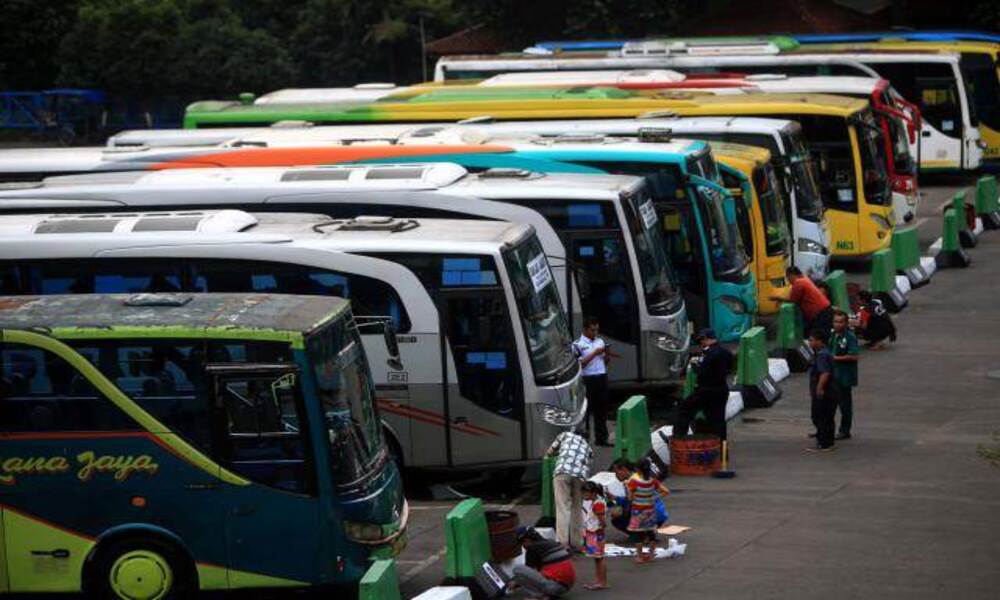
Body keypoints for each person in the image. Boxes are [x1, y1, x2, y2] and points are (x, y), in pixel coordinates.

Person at [672, 328, 734, 441]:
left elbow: (702, 371)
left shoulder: (709, 353)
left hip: (706, 391)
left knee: (684, 410)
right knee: (718, 421)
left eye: (701, 340)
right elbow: (730, 369)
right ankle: (721, 448)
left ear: (706, 339)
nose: (701, 343)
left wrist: (695, 366)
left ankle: (678, 439)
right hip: (721, 390)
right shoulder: (726, 352)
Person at [545, 429, 593, 549]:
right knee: (577, 509)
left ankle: (563, 543)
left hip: (562, 473)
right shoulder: (588, 448)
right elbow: (587, 465)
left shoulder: (565, 435)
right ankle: (578, 543)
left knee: (563, 508)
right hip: (580, 477)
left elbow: (550, 452)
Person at [572, 317, 615, 446]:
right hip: (587, 378)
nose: (595, 333)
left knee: (601, 409)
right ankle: (584, 439)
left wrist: (606, 354)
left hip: (601, 376)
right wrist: (594, 353)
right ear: (585, 329)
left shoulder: (600, 341)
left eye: (597, 330)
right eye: (592, 330)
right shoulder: (577, 344)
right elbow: (579, 364)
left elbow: (605, 362)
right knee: (586, 410)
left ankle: (601, 438)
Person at [626, 458, 670, 564]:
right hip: (650, 510)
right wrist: (655, 498)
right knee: (651, 532)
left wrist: (628, 488)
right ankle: (651, 555)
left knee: (638, 535)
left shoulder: (634, 481)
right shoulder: (653, 481)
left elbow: (630, 498)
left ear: (638, 470)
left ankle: (640, 557)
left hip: (638, 511)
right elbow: (666, 491)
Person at [512, 528, 575, 598]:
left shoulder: (532, 548)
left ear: (527, 540)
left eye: (522, 544)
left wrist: (515, 583)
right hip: (566, 587)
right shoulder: (551, 542)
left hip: (554, 587)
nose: (523, 547)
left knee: (517, 569)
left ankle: (538, 596)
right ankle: (546, 594)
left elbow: (527, 572)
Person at [771, 266, 833, 335]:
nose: (788, 280)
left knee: (819, 337)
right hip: (824, 310)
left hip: (820, 313)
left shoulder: (798, 282)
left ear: (791, 275)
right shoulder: (805, 279)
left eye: (787, 277)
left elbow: (793, 300)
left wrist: (778, 298)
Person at [806, 329, 839, 452]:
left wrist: (819, 388)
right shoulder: (823, 353)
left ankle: (824, 442)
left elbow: (824, 373)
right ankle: (827, 440)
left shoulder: (822, 355)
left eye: (811, 340)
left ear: (819, 341)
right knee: (827, 417)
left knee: (820, 416)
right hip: (831, 391)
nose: (809, 343)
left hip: (825, 392)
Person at [830, 310, 859, 440]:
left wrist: (835, 358)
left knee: (844, 405)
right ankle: (826, 428)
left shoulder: (850, 337)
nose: (837, 324)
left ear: (846, 323)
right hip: (833, 374)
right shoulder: (833, 335)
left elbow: (854, 356)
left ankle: (845, 430)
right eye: (835, 321)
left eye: (841, 322)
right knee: (830, 404)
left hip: (844, 376)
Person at [580, 481, 609, 591]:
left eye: (586, 494)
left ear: (593, 493)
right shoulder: (597, 502)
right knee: (597, 558)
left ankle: (602, 582)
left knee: (599, 558)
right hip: (593, 533)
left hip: (596, 534)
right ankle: (599, 581)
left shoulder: (598, 504)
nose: (585, 496)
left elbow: (602, 521)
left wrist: (600, 528)